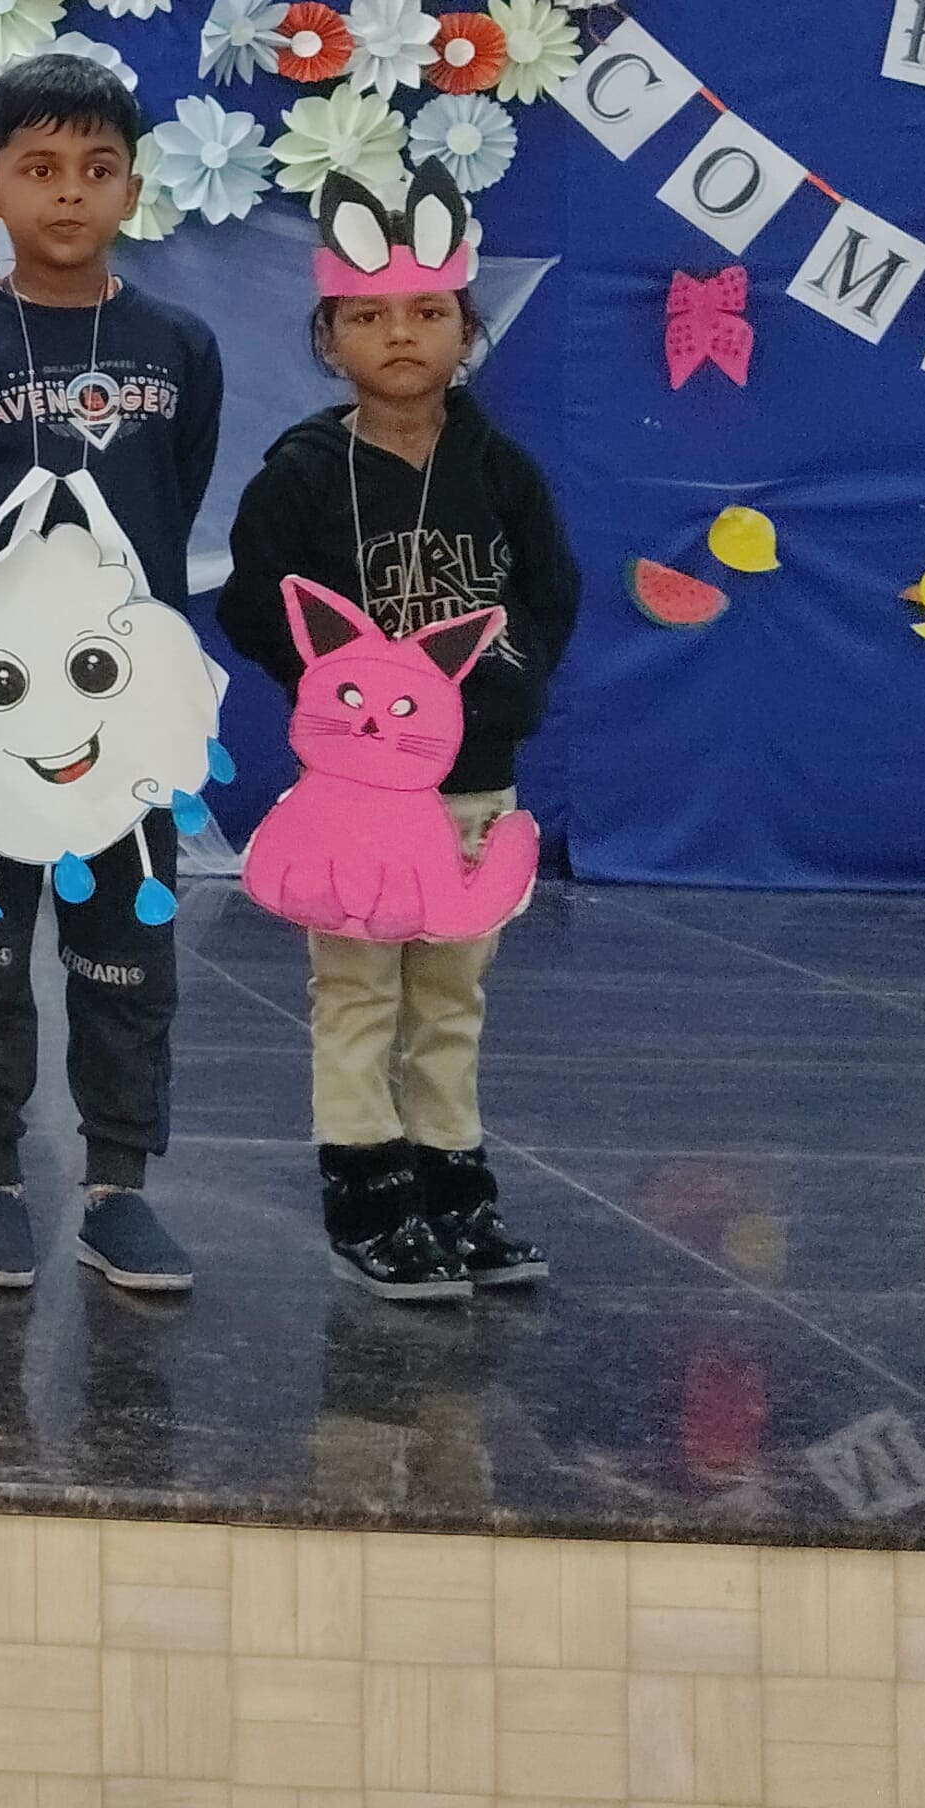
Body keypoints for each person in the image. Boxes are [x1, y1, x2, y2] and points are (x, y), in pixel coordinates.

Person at [0, 50, 222, 1300]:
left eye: (95, 169)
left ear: (134, 187)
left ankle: (116, 1190)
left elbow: (174, 494)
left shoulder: (176, 344)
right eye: (37, 169)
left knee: (126, 951)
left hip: (124, 714)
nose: (68, 193)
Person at [221, 168, 578, 1302]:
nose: (401, 335)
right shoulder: (301, 476)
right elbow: (254, 603)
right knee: (358, 993)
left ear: (466, 332)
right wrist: (338, 712)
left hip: (474, 787)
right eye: (369, 316)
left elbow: (548, 598)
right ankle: (368, 1196)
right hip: (357, 805)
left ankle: (453, 1186)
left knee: (451, 996)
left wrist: (502, 697)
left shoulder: (500, 470)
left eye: (427, 312)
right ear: (329, 339)